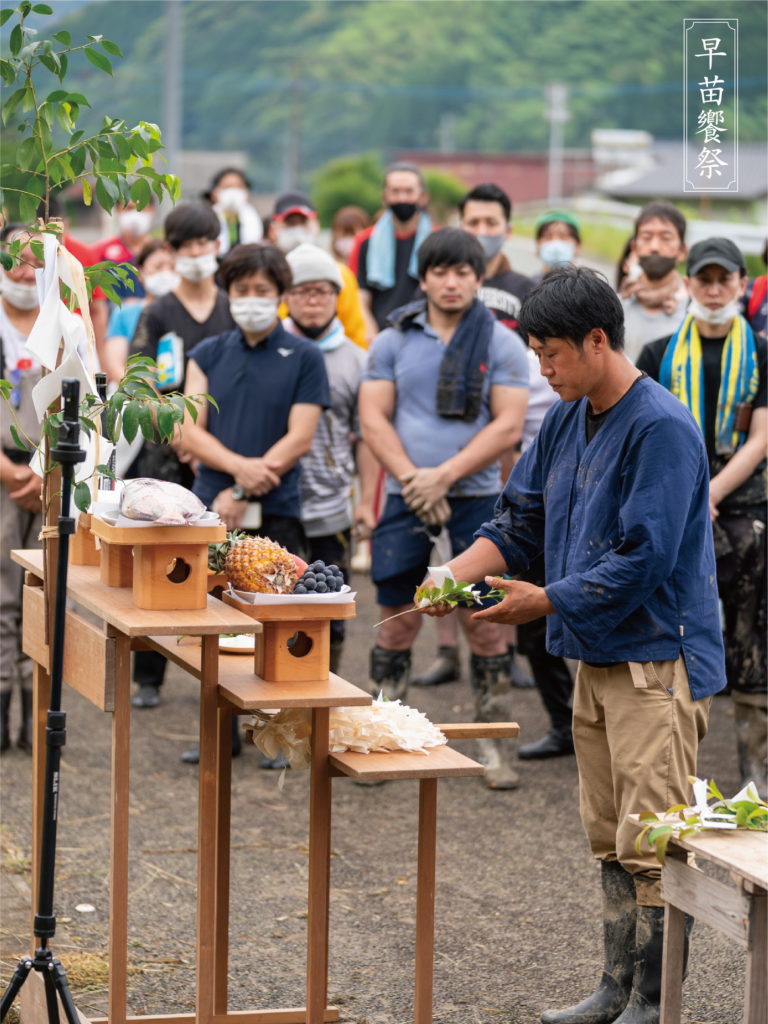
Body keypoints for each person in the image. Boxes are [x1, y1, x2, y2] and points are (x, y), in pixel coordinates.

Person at [420, 266, 724, 1023]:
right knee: (608, 831)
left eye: (553, 354)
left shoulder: (662, 426)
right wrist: (449, 578)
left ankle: (656, 999)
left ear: (597, 340)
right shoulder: (564, 415)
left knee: (654, 835)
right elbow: (518, 521)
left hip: (656, 655)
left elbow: (643, 556)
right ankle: (616, 987)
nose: (544, 369)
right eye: (537, 354)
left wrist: (543, 599)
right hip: (594, 648)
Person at [359, 227, 529, 789]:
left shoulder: (503, 342)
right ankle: (382, 736)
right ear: (424, 277)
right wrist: (411, 478)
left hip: (477, 495)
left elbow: (508, 424)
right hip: (405, 493)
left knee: (484, 621)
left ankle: (494, 745)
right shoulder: (392, 341)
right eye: (440, 271)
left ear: (479, 278)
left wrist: (445, 475)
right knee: (395, 617)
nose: (451, 282)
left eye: (463, 272)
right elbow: (373, 418)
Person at [179, 243, 330, 766]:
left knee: (277, 620)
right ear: (228, 293)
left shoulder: (307, 357)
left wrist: (246, 483)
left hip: (277, 502)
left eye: (262, 291)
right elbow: (187, 428)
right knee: (211, 618)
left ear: (282, 295)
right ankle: (214, 729)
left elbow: (301, 435)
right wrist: (238, 469)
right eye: (242, 291)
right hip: (210, 506)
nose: (251, 300)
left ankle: (275, 731)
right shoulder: (207, 354)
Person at [637, 238, 767, 795]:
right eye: (704, 279)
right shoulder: (657, 353)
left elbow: (761, 439)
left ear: (742, 284)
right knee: (670, 623)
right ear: (688, 283)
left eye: (725, 280)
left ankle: (753, 765)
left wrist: (709, 490)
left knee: (751, 629)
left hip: (743, 506)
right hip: (672, 502)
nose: (714, 290)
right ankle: (666, 755)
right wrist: (689, 495)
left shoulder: (761, 351)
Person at [413, 182, 536, 689]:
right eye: (474, 223)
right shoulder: (415, 319)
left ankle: (504, 659)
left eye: (492, 224)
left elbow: (511, 415)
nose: (482, 233)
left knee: (492, 562)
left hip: (497, 462)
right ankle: (446, 654)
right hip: (423, 477)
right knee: (432, 572)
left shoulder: (523, 292)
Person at [128, 202, 235, 710]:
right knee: (161, 560)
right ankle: (148, 673)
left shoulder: (234, 306)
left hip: (223, 450)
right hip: (167, 459)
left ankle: (219, 674)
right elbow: (140, 384)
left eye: (204, 242)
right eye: (185, 245)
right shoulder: (158, 311)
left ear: (218, 245)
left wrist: (210, 447)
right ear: (170, 251)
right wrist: (180, 436)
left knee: (221, 561)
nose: (196, 253)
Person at [282, 243, 378, 673]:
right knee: (271, 608)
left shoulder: (359, 361)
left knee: (330, 610)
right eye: (302, 291)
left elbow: (366, 437)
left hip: (332, 507)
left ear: (338, 295)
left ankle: (321, 698)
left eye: (322, 291)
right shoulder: (272, 354)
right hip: (276, 502)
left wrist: (365, 502)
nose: (313, 300)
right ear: (286, 296)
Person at [0, 226, 44, 754]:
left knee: (44, 594)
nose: (25, 271)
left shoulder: (65, 326)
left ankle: (37, 708)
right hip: (3, 473)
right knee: (1, 595)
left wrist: (45, 469)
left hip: (48, 474)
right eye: (15, 259)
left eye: (37, 262)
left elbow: (86, 409)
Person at [267, 192, 368, 348]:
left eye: (303, 223)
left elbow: (355, 335)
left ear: (316, 226)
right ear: (273, 230)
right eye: (290, 224)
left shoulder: (339, 274)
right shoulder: (265, 276)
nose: (297, 231)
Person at [350, 162, 432, 331]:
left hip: (425, 331)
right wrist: (370, 331)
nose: (402, 198)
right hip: (379, 332)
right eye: (395, 191)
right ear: (384, 196)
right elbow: (359, 294)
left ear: (423, 197)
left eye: (409, 191)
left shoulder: (436, 240)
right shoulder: (365, 240)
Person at [619, 200, 689, 363]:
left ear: (682, 251)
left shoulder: (692, 309)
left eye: (666, 238)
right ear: (635, 247)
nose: (655, 246)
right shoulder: (616, 306)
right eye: (646, 237)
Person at [101, 239, 179, 383]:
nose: (166, 273)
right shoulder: (125, 313)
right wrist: (142, 396)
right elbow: (115, 365)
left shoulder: (185, 312)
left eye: (172, 267)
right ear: (140, 271)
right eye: (158, 266)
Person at [91, 199, 157, 304]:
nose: (135, 214)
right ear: (118, 211)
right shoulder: (99, 253)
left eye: (141, 208)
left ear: (152, 210)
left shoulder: (163, 252)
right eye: (129, 208)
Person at [205, 166, 264, 258]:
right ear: (214, 193)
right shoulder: (207, 219)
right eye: (227, 187)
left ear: (247, 192)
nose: (233, 191)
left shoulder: (253, 219)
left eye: (239, 186)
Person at [534, 210, 582, 280]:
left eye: (563, 236)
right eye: (548, 236)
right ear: (538, 244)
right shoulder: (528, 285)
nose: (555, 243)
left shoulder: (589, 287)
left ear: (577, 245)